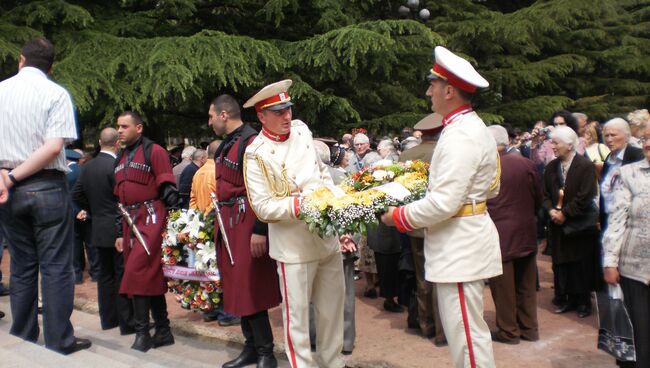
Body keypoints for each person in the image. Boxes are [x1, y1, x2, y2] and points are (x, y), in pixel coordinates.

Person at [381, 46, 501, 368]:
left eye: (432, 85)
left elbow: (444, 202)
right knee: (466, 334)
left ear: (449, 90)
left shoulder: (461, 134)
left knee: (466, 338)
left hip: (460, 245)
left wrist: (398, 216)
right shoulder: (465, 128)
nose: (427, 91)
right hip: (462, 240)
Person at [243, 80, 348, 368]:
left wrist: (337, 206)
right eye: (278, 112)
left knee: (331, 312)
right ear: (262, 116)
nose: (286, 116)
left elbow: (321, 173)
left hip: (326, 238)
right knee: (297, 318)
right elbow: (262, 206)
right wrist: (301, 205)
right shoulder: (257, 152)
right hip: (293, 247)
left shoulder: (302, 131)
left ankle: (333, 363)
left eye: (288, 109)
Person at [0, 37, 91, 354]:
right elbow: (54, 147)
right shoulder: (56, 94)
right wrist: (11, 176)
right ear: (50, 66)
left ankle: (23, 335)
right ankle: (59, 340)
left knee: (22, 267)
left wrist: (5, 175)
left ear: (21, 60)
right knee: (55, 267)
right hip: (47, 186)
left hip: (7, 189)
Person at [209, 94, 282, 368]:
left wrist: (260, 229)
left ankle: (266, 353)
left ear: (224, 114)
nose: (210, 121)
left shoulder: (252, 141)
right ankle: (251, 348)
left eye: (211, 115)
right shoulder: (230, 143)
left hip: (247, 221)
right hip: (229, 221)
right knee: (237, 287)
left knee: (251, 288)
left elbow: (265, 188)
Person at [114, 111, 177, 352]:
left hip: (151, 217)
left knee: (136, 272)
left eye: (124, 126)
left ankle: (143, 332)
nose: (120, 130)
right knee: (148, 276)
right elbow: (115, 197)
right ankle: (163, 330)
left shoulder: (155, 151)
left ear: (138, 128)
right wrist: (118, 232)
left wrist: (175, 220)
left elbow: (168, 186)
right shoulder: (120, 156)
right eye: (118, 127)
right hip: (129, 222)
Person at [72, 127, 135, 334]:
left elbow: (77, 193)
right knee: (121, 274)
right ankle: (127, 323)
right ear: (117, 143)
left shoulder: (87, 167)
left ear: (100, 142)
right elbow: (121, 197)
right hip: (116, 226)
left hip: (98, 225)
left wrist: (93, 210)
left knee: (105, 276)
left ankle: (108, 320)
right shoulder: (117, 165)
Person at [486, 125, 541, 345]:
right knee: (526, 284)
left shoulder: (489, 167)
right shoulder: (526, 163)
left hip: (500, 234)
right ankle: (529, 328)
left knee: (503, 287)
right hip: (526, 229)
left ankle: (508, 331)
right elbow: (538, 197)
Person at [602, 123, 650, 368]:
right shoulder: (629, 173)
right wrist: (610, 261)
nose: (647, 144)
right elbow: (617, 220)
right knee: (639, 337)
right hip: (635, 269)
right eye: (646, 138)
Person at [399, 113, 446, 346]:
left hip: (415, 224)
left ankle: (426, 324)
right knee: (444, 277)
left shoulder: (407, 155)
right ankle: (442, 328)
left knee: (422, 276)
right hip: (443, 225)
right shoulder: (445, 153)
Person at [542, 126, 600, 318]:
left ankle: (583, 302)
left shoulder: (584, 166)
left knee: (580, 264)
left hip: (578, 225)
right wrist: (551, 211)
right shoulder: (551, 167)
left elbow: (586, 196)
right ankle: (567, 298)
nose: (553, 146)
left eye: (556, 143)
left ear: (569, 145)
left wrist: (565, 214)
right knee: (561, 265)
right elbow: (545, 194)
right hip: (557, 226)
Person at [600, 118, 645, 234]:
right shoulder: (609, 159)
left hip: (630, 224)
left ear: (626, 136)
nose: (609, 139)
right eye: (606, 136)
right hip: (609, 220)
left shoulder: (637, 156)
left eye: (613, 135)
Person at [189, 140, 221, 213]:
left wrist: (197, 217)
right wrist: (206, 216)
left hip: (200, 218)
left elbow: (193, 199)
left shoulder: (198, 172)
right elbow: (217, 199)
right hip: (212, 218)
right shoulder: (218, 172)